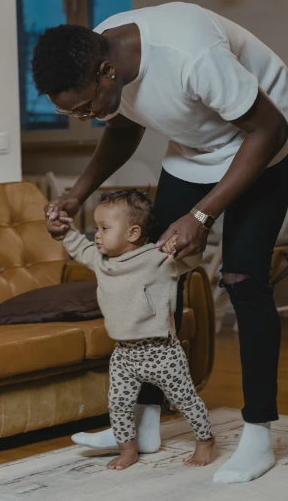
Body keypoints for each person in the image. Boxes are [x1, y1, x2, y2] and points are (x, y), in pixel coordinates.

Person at [32, 2, 288, 484]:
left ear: (106, 70)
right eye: (69, 112)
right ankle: (145, 425)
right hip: (197, 148)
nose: (85, 117)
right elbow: (122, 127)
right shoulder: (97, 48)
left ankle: (258, 433)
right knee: (150, 265)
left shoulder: (190, 53)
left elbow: (270, 128)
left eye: (84, 106)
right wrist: (78, 193)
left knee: (243, 277)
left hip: (264, 140)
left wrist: (202, 214)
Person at [56, 189, 212, 470]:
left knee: (185, 399)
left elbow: (193, 258)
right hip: (124, 353)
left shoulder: (158, 259)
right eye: (96, 228)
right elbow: (78, 246)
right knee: (118, 404)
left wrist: (181, 245)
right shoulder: (101, 262)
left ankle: (205, 440)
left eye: (104, 228)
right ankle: (128, 450)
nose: (97, 235)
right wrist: (62, 229)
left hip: (161, 351)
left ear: (133, 233)